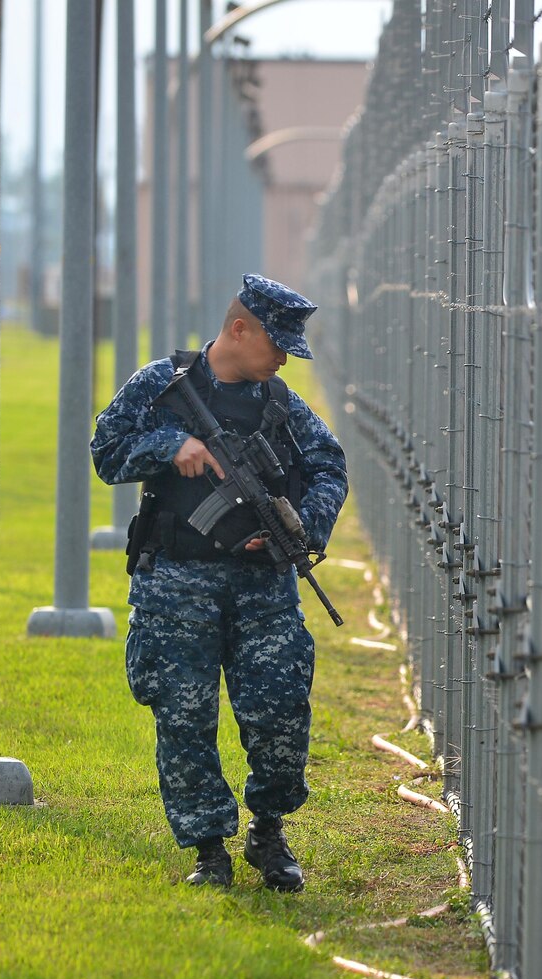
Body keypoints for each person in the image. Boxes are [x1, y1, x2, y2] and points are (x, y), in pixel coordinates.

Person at [91, 274, 348, 891]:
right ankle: (208, 849)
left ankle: (268, 831)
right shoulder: (162, 387)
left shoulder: (281, 406)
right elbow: (105, 452)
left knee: (280, 714)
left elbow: (329, 466)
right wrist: (169, 443)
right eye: (276, 344)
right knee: (184, 717)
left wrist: (300, 524)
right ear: (239, 329)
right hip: (176, 585)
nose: (283, 358)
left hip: (264, 589)